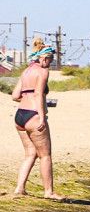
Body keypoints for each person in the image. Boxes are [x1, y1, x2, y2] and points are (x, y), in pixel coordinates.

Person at [10, 41, 59, 199]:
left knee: (30, 154)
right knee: (45, 155)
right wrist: (42, 116)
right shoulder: (42, 72)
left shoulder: (26, 71)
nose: (51, 63)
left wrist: (28, 99)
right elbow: (38, 94)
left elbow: (15, 96)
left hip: (20, 116)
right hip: (33, 115)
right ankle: (49, 192)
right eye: (51, 60)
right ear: (44, 58)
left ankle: (19, 188)